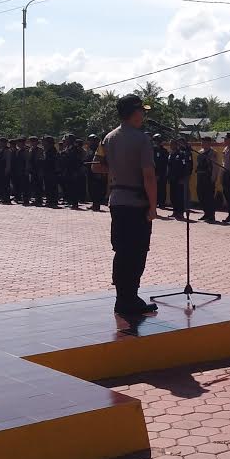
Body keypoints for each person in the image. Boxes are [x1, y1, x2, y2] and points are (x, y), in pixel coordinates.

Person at [90, 95, 159, 315]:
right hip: (137, 202)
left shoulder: (108, 138)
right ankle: (131, 298)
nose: (144, 114)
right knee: (137, 251)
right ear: (134, 112)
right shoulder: (141, 139)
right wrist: (153, 206)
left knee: (121, 251)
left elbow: (95, 166)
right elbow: (149, 176)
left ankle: (122, 298)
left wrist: (117, 168)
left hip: (117, 200)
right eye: (142, 110)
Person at [168, 137, 192, 220]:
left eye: (172, 144)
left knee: (179, 197)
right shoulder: (171, 154)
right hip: (172, 178)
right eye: (170, 144)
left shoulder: (181, 154)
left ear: (176, 145)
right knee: (173, 196)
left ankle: (180, 213)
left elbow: (185, 166)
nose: (171, 145)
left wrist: (183, 177)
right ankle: (175, 211)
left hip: (179, 178)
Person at [196, 137, 218, 222]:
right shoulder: (200, 152)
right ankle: (206, 213)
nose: (202, 144)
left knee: (209, 196)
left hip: (208, 176)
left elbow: (215, 166)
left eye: (204, 142)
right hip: (200, 175)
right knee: (201, 195)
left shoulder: (213, 153)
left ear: (208, 143)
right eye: (202, 142)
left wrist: (214, 177)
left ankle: (211, 215)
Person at [86, 134, 107, 211]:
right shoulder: (90, 150)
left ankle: (97, 204)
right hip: (90, 171)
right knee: (91, 189)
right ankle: (94, 204)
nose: (90, 142)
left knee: (97, 189)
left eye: (91, 140)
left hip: (97, 172)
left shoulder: (99, 149)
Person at [153, 135, 170, 209]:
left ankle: (161, 203)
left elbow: (165, 163)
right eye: (156, 140)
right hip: (153, 173)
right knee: (154, 189)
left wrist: (161, 173)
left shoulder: (164, 151)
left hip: (162, 173)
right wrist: (155, 173)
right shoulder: (152, 150)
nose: (157, 142)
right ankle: (154, 203)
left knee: (162, 189)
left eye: (159, 141)